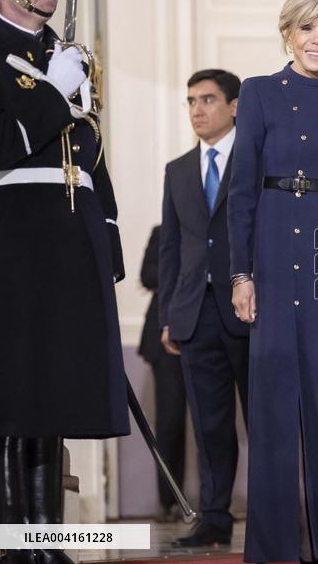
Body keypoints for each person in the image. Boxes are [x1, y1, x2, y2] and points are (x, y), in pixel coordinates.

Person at [0, 0, 128, 563]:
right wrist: (53, 92)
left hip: (71, 241)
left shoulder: (65, 53)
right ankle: (14, 545)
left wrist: (110, 240)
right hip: (12, 239)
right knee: (16, 398)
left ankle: (44, 541)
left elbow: (93, 156)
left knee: (53, 398)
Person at [160, 68, 250, 548]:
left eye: (208, 99)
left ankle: (278, 513)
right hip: (196, 315)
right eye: (191, 101)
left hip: (250, 309)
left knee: (264, 418)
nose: (197, 109)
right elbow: (171, 250)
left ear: (234, 106)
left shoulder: (255, 161)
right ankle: (214, 519)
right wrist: (169, 317)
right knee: (209, 424)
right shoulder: (177, 170)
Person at [138, 224, 188, 522]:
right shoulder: (161, 232)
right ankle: (168, 502)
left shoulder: (213, 231)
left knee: (211, 424)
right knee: (169, 423)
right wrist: (188, 271)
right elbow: (147, 276)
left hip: (204, 334)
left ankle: (212, 503)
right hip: (162, 337)